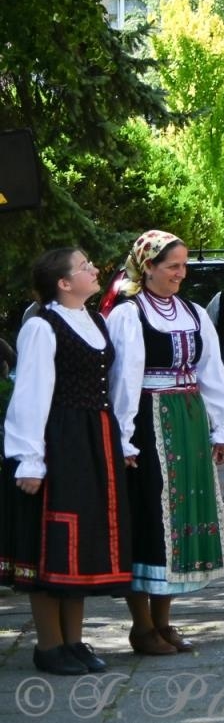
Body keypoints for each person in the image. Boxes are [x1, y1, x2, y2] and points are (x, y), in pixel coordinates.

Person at [1, 248, 132, 675]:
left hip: (94, 437)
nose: (94, 270)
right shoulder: (41, 326)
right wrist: (29, 459)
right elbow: (31, 392)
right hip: (58, 438)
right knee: (52, 539)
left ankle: (74, 641)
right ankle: (49, 644)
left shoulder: (95, 320)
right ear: (63, 283)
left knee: (83, 539)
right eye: (84, 267)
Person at [107, 231, 224, 655]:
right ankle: (140, 625)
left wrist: (220, 428)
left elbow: (212, 372)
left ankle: (163, 621)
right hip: (149, 422)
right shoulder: (128, 315)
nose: (181, 273)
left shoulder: (195, 313)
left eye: (183, 265)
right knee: (149, 515)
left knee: (179, 519)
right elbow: (123, 380)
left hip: (188, 418)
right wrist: (124, 437)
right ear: (148, 267)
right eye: (173, 266)